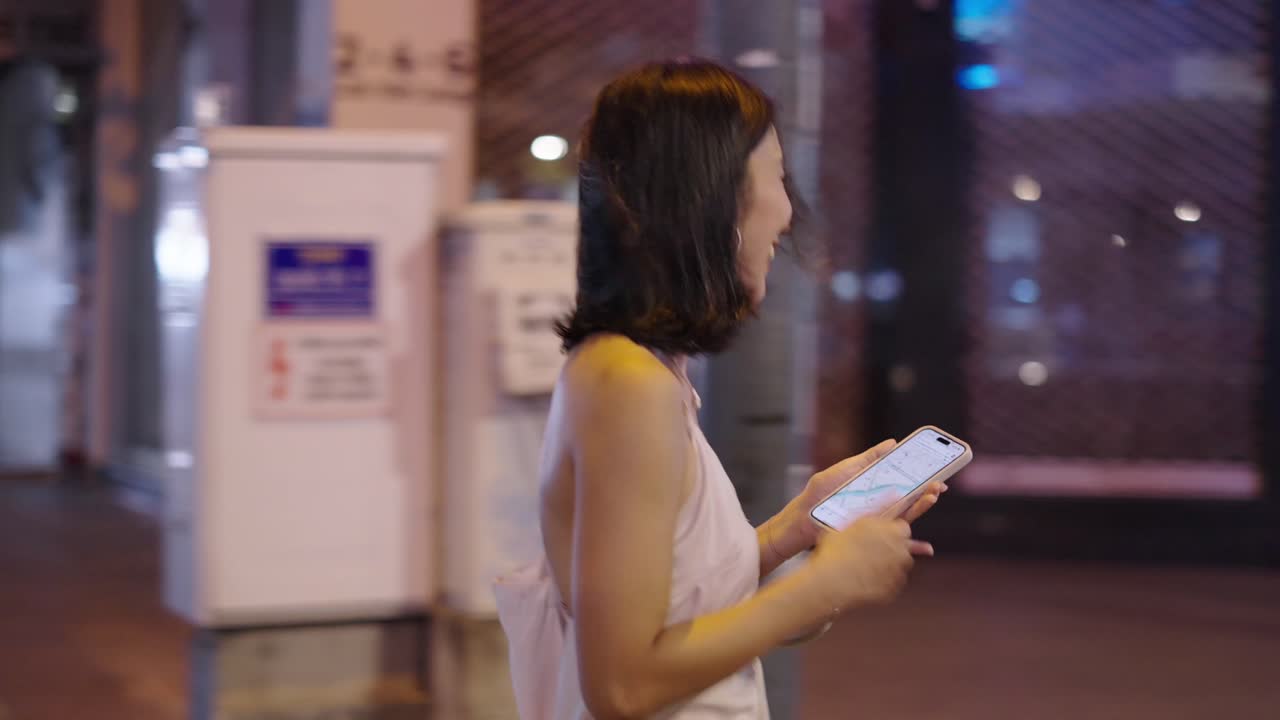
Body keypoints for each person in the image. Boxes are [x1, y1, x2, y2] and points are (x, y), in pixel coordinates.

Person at [493, 59, 945, 720]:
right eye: (777, 178)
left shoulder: (644, 372)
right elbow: (622, 685)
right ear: (710, 196)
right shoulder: (625, 382)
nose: (788, 214)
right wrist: (828, 583)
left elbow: (682, 606)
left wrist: (795, 530)